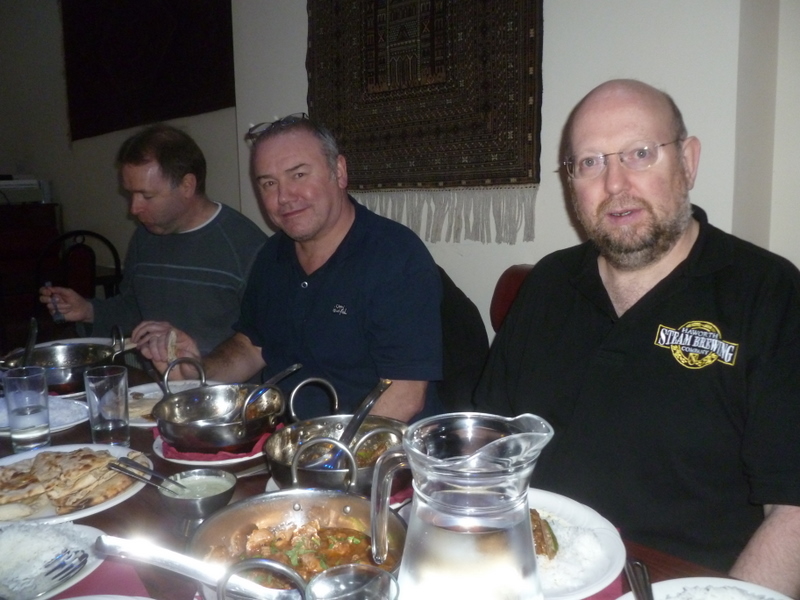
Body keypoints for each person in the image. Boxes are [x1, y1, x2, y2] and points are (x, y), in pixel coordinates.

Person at [473, 79, 800, 596]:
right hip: (533, 570)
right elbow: (489, 444)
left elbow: (794, 513)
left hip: (685, 583)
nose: (615, 184)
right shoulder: (548, 284)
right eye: (590, 162)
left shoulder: (769, 293)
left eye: (640, 154)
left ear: (688, 161)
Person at [139, 114, 443, 422]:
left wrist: (327, 449)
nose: (283, 197)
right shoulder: (272, 255)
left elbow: (405, 396)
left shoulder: (395, 256)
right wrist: (196, 370)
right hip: (282, 435)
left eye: (298, 175)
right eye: (269, 183)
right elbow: (251, 347)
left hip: (372, 444)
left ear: (338, 172)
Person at [39, 124, 267, 357]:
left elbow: (261, 342)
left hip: (214, 377)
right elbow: (133, 308)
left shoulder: (245, 246)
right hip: (149, 376)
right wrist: (88, 310)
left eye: (146, 195)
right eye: (130, 194)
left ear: (187, 185)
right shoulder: (145, 236)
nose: (134, 208)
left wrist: (200, 367)